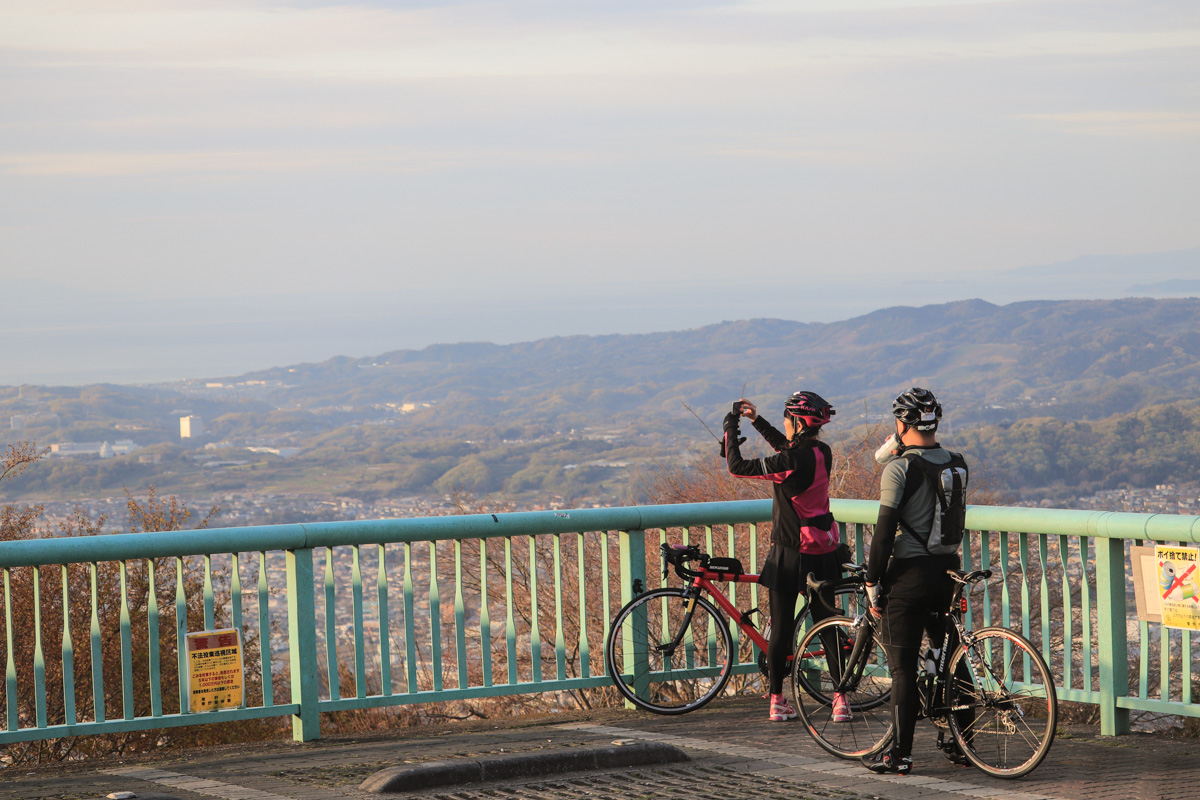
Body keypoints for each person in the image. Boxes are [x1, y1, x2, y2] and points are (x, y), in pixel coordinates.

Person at [862, 387, 970, 775]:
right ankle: (964, 743)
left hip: (909, 575)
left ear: (900, 423)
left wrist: (873, 581)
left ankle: (900, 755)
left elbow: (884, 531)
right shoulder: (956, 463)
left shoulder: (900, 468)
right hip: (948, 571)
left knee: (903, 667)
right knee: (950, 655)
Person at [723, 391, 845, 722]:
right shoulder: (822, 452)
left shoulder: (789, 462)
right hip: (823, 551)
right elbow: (790, 448)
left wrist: (729, 426)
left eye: (786, 420)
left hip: (790, 553)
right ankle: (841, 700)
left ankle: (777, 700)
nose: (784, 426)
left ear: (797, 422)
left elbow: (737, 467)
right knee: (828, 624)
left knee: (781, 629)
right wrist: (756, 420)